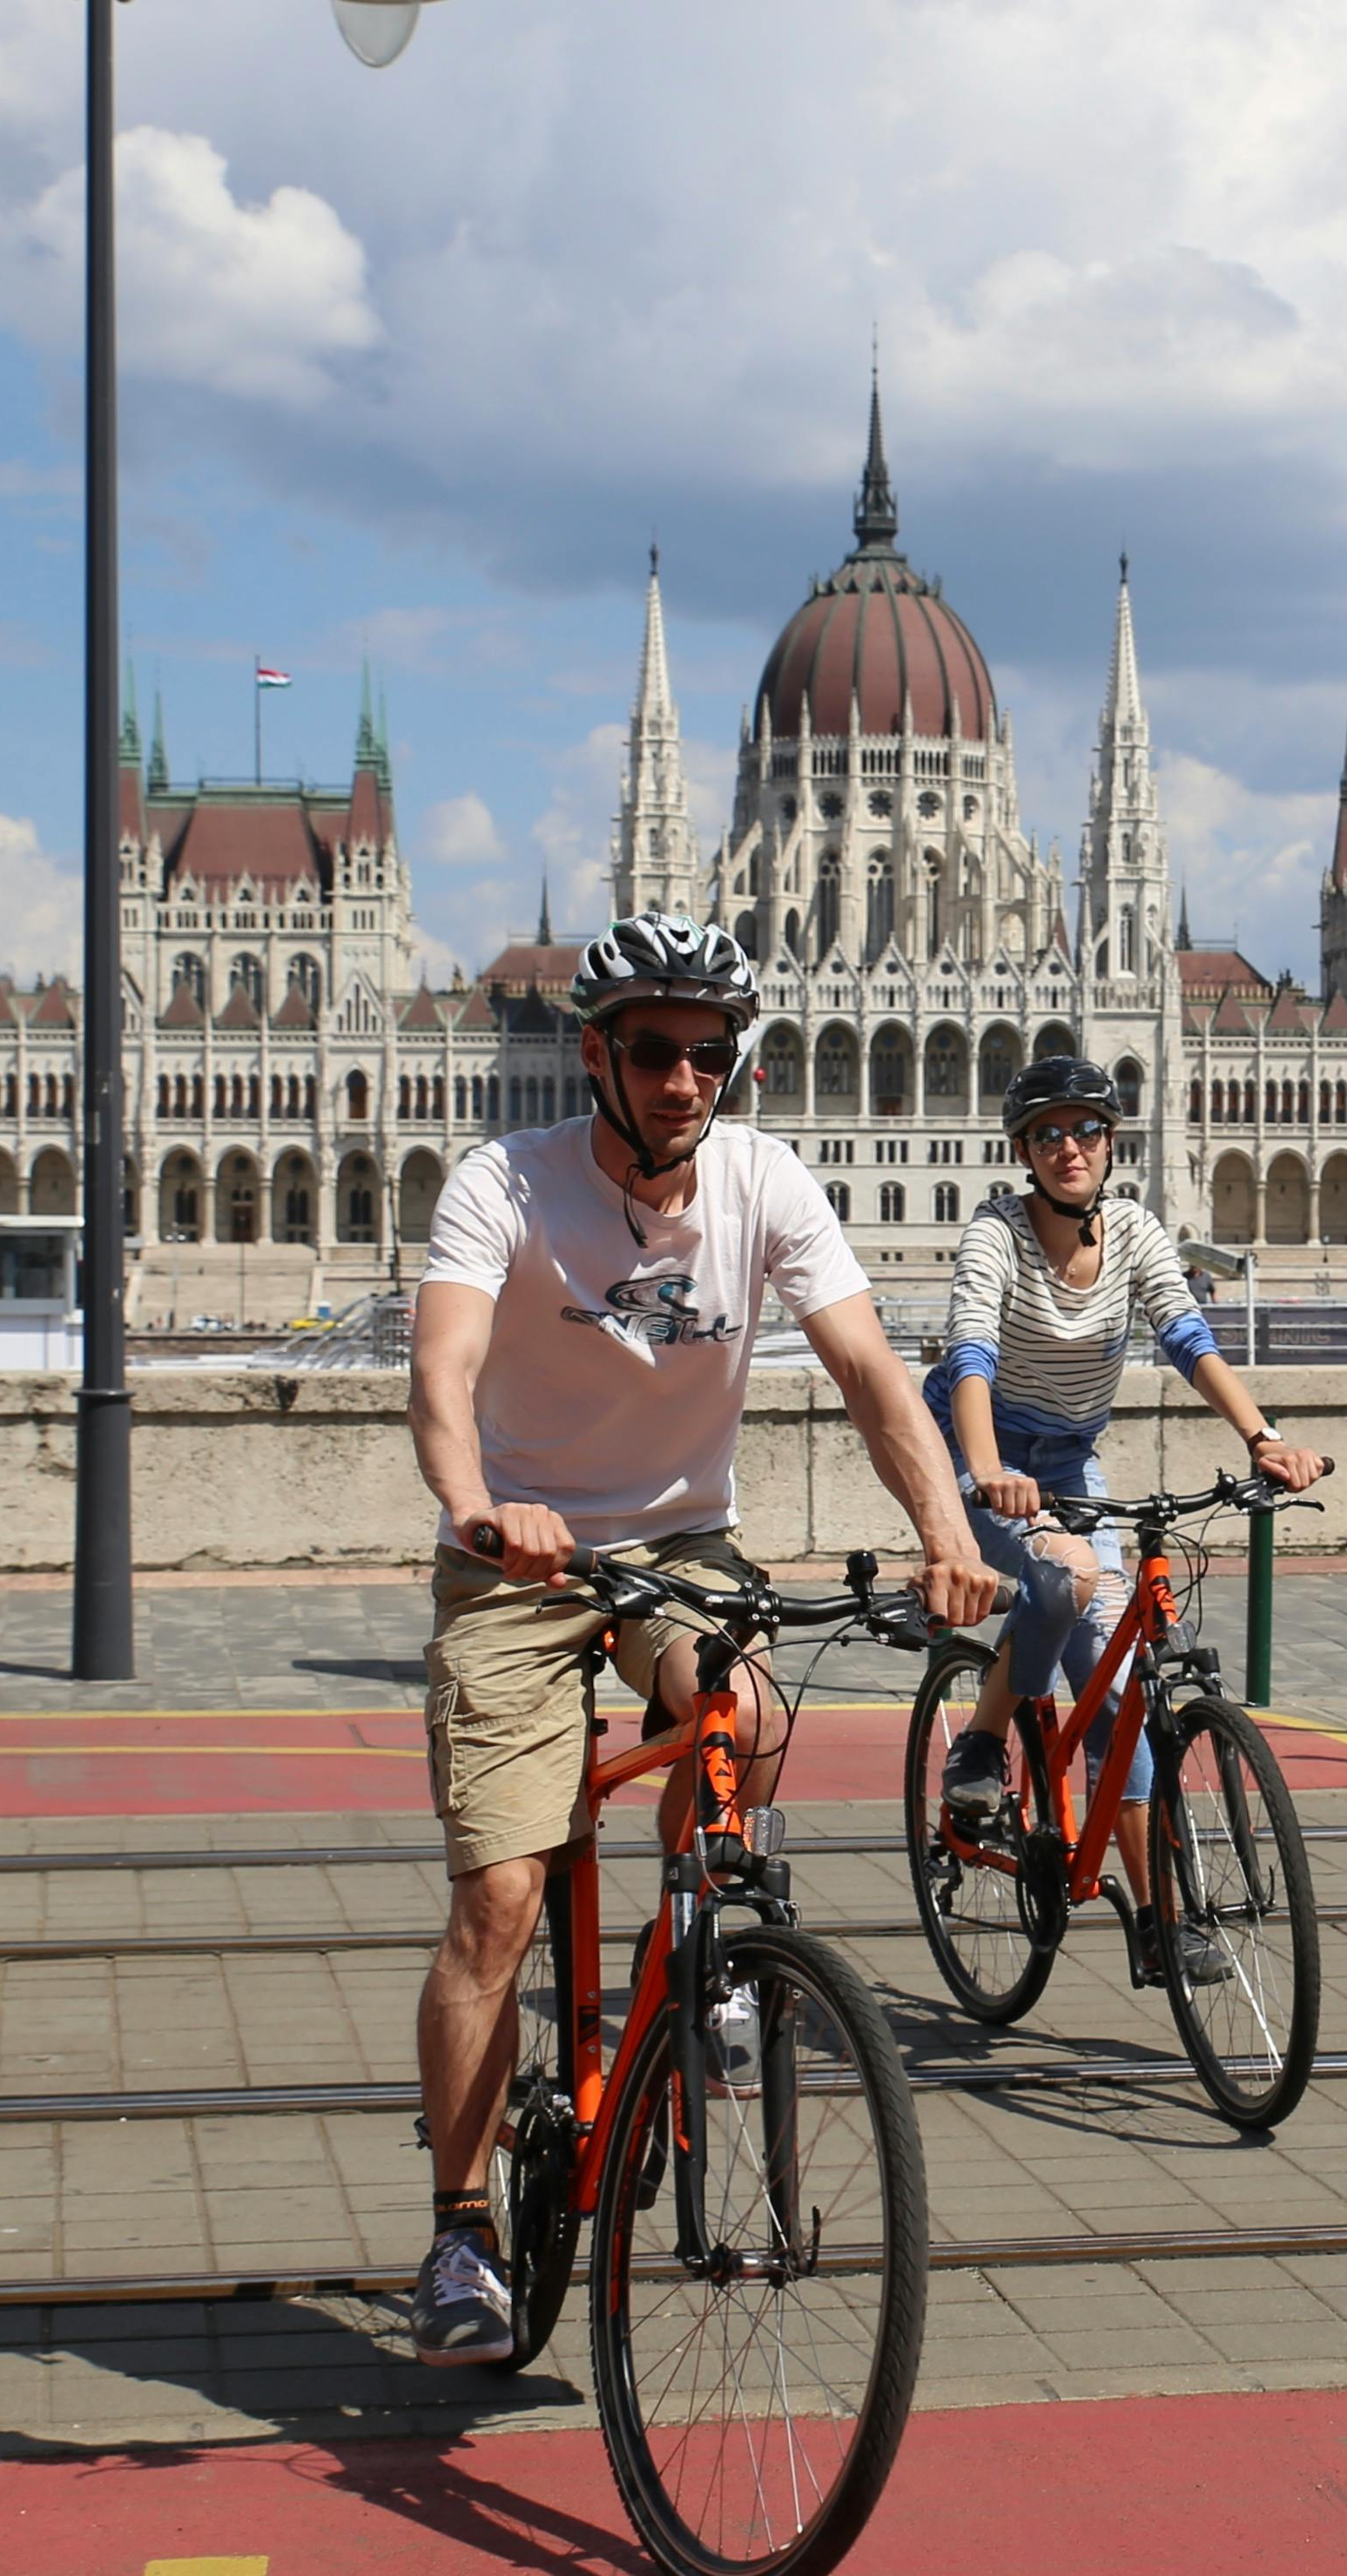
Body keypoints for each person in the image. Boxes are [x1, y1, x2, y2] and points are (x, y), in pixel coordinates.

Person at [401, 911, 999, 2366]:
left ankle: (696, 1957)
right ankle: (461, 2223)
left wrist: (947, 1528)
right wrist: (482, 1503)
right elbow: (441, 1368)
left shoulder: (762, 1176)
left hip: (678, 1544)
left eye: (710, 1054)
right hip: (519, 1554)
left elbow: (867, 1370)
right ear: (596, 1053)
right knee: (497, 1901)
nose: (685, 1079)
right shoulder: (502, 1182)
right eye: (656, 1050)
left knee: (749, 1712)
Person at [927, 1056, 1325, 1982]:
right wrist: (985, 1473)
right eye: (1048, 1134)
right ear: (1023, 1150)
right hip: (974, 1449)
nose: (1069, 1147)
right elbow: (971, 1351)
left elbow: (1187, 1338)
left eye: (1086, 1131)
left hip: (1067, 1459)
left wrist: (1263, 1436)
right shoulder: (995, 1232)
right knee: (1060, 1576)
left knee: (1121, 1703)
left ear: (1112, 1143)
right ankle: (983, 1739)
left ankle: (1157, 1922)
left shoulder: (1137, 1231)